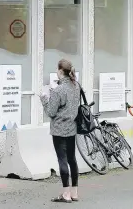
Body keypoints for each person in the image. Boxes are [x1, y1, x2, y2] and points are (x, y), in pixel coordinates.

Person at [39, 59, 81, 203]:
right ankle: (74, 192)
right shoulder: (76, 86)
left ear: (60, 71)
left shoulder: (58, 90)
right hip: (72, 127)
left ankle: (65, 194)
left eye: (57, 70)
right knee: (72, 159)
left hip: (58, 129)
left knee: (62, 160)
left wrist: (44, 98)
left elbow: (51, 111)